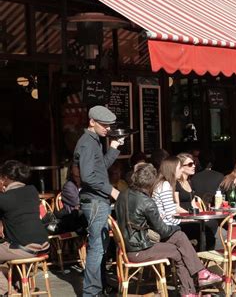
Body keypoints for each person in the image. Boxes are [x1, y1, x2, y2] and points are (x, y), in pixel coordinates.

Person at [115, 163, 221, 297]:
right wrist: (177, 227)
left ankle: (195, 282)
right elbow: (163, 231)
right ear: (151, 183)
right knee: (179, 248)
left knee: (179, 239)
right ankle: (191, 289)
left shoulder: (123, 195)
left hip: (127, 246)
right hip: (139, 250)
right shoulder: (147, 202)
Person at [73, 105, 123, 297]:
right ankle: (91, 292)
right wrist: (112, 190)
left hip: (96, 200)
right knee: (97, 249)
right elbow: (88, 177)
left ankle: (99, 287)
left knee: (100, 247)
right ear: (92, 122)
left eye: (110, 125)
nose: (108, 129)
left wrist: (113, 148)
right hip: (94, 201)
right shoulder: (87, 142)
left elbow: (100, 168)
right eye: (104, 125)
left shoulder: (94, 141)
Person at [0, 160, 50, 295]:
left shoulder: (4, 198)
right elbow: (43, 216)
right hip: (44, 244)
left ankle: (7, 292)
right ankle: (21, 286)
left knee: (11, 248)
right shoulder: (32, 190)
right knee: (12, 247)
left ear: (4, 178)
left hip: (25, 247)